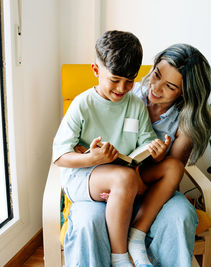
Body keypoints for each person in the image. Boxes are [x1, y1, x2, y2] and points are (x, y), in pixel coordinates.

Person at [66, 43, 211, 267]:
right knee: (87, 220)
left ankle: (136, 236)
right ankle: (120, 256)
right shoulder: (124, 93)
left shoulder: (185, 123)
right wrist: (91, 158)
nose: (156, 88)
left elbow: (170, 176)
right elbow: (79, 140)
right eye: (156, 75)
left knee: (180, 214)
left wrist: (143, 176)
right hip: (106, 183)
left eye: (170, 86)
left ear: (185, 92)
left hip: (151, 191)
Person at [53, 30, 173, 267]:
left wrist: (155, 150)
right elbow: (59, 157)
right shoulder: (82, 105)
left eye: (130, 81)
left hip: (123, 178)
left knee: (167, 168)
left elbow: (144, 141)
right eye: (115, 80)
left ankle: (128, 205)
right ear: (96, 71)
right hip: (84, 177)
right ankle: (119, 257)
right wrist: (92, 158)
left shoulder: (135, 105)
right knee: (125, 178)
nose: (122, 88)